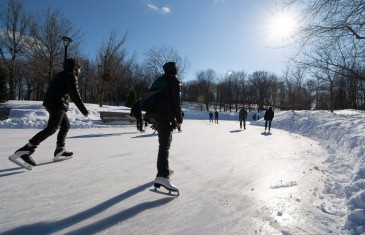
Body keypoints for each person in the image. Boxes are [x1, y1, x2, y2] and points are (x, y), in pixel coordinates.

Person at [9, 58, 89, 170]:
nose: (80, 72)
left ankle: (60, 150)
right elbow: (75, 94)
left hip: (53, 102)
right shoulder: (71, 76)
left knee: (65, 125)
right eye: (80, 69)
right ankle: (26, 150)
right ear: (75, 68)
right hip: (57, 103)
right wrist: (84, 111)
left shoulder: (62, 74)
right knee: (52, 128)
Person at [146, 62, 183, 192]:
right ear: (174, 70)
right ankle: (162, 175)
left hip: (153, 115)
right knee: (165, 144)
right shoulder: (174, 81)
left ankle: (163, 170)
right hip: (163, 116)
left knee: (164, 142)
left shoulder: (160, 80)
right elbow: (176, 103)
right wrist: (179, 120)